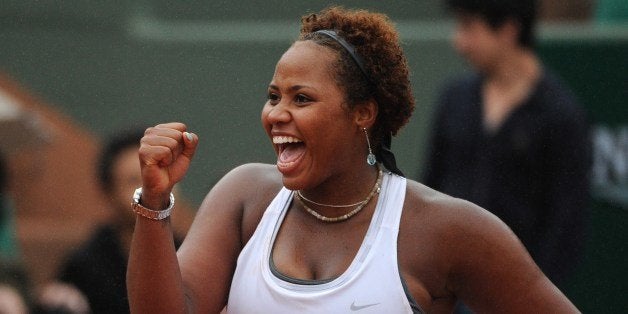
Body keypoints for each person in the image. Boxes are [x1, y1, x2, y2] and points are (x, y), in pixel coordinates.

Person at [127, 6, 580, 313]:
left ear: (363, 113)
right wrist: (154, 202)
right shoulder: (244, 196)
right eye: (273, 96)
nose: (276, 114)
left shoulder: (446, 230)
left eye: (301, 98)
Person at [422, 0, 591, 290]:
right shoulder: (454, 99)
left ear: (508, 30)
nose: (459, 42)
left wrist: (533, 294)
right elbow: (431, 185)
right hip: (446, 286)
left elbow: (566, 223)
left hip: (515, 291)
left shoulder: (562, 115)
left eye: (469, 28)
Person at [44, 128, 187, 314]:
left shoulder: (189, 253)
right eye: (134, 180)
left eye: (162, 176)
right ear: (109, 193)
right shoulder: (84, 265)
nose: (152, 188)